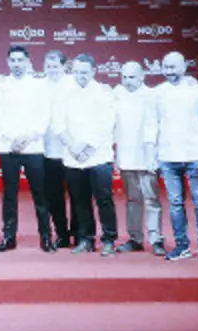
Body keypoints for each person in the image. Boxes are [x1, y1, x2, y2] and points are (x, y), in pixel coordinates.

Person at [153, 51, 198, 262]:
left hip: (195, 155)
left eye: (173, 67)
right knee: (175, 204)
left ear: (184, 67)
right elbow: (152, 125)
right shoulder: (157, 93)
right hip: (167, 156)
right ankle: (182, 246)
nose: (169, 71)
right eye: (166, 67)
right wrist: (153, 155)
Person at [0, 46, 52, 253]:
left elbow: (44, 115)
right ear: (8, 62)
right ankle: (8, 238)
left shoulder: (39, 86)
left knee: (40, 194)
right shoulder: (0, 86)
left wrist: (27, 137)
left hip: (33, 147)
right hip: (9, 147)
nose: (16, 64)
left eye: (20, 60)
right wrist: (12, 138)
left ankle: (46, 237)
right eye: (13, 60)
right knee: (9, 194)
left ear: (27, 61)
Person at [57, 54, 117, 256]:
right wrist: (73, 147)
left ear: (93, 71)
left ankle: (109, 239)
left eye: (84, 72)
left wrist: (85, 148)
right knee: (79, 201)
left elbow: (106, 125)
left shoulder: (104, 93)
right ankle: (86, 239)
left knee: (104, 200)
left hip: (99, 156)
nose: (80, 76)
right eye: (76, 72)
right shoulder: (64, 94)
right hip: (73, 157)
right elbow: (58, 124)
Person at [112, 62, 164, 256]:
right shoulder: (116, 95)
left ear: (142, 76)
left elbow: (153, 126)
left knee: (151, 199)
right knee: (133, 200)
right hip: (126, 157)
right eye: (124, 77)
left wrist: (152, 155)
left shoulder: (152, 96)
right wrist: (115, 154)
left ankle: (156, 239)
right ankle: (135, 239)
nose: (127, 81)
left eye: (132, 77)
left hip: (147, 156)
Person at [42, 50, 76, 248]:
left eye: (55, 66)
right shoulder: (39, 86)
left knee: (77, 195)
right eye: (48, 66)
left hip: (72, 150)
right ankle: (62, 234)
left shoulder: (74, 84)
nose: (52, 70)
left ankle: (79, 234)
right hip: (49, 151)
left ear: (64, 66)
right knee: (54, 196)